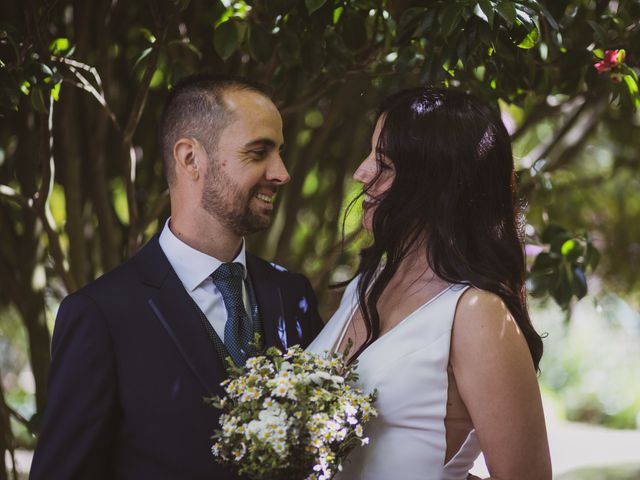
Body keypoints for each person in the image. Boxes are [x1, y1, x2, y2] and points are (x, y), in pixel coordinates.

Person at [30, 75, 324, 479]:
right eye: (259, 153)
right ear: (190, 159)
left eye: (280, 154)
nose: (282, 173)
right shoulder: (101, 316)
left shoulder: (292, 295)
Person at [307, 86, 552, 480]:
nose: (360, 173)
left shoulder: (476, 312)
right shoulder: (367, 286)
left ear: (435, 184)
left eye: (383, 164)